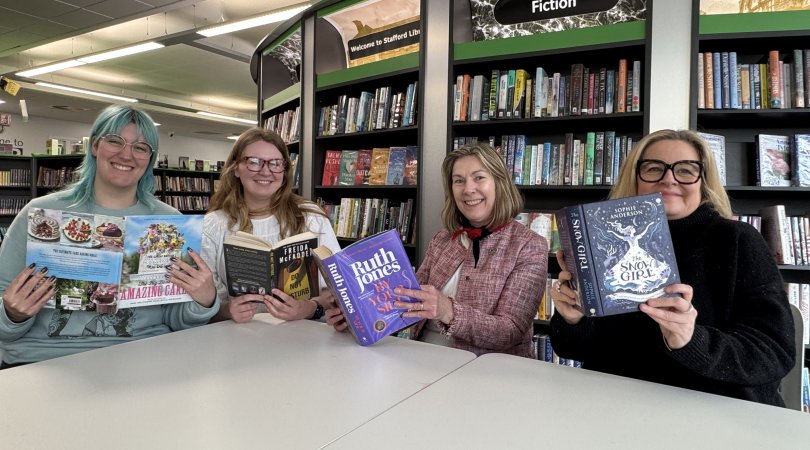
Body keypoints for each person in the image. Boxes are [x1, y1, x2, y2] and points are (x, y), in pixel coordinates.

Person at [548, 129, 795, 406]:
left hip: (713, 411)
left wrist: (692, 340)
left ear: (703, 180)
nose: (669, 178)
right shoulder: (605, 240)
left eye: (686, 170)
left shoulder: (737, 240)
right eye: (654, 168)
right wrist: (573, 320)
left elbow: (773, 354)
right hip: (617, 405)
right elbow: (574, 349)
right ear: (636, 178)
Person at [0, 104, 218, 367]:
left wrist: (204, 300)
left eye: (140, 147)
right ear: (94, 146)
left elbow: (177, 318)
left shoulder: (167, 222)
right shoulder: (40, 214)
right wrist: (12, 314)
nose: (127, 155)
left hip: (142, 356)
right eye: (115, 141)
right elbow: (4, 314)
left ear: (150, 158)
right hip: (46, 358)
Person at [329, 143, 547, 357]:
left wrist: (447, 310)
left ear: (499, 183)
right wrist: (357, 316)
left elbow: (510, 331)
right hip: (422, 359)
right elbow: (408, 300)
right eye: (458, 181)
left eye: (479, 177)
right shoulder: (443, 239)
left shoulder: (528, 246)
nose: (468, 189)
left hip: (486, 374)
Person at [201, 127, 339, 323]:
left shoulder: (311, 217)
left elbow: (337, 289)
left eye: (275, 163)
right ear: (236, 168)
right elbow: (203, 301)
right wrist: (226, 310)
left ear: (284, 170)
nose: (265, 171)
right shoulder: (213, 224)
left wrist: (307, 308)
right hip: (239, 337)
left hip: (304, 336)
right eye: (254, 162)